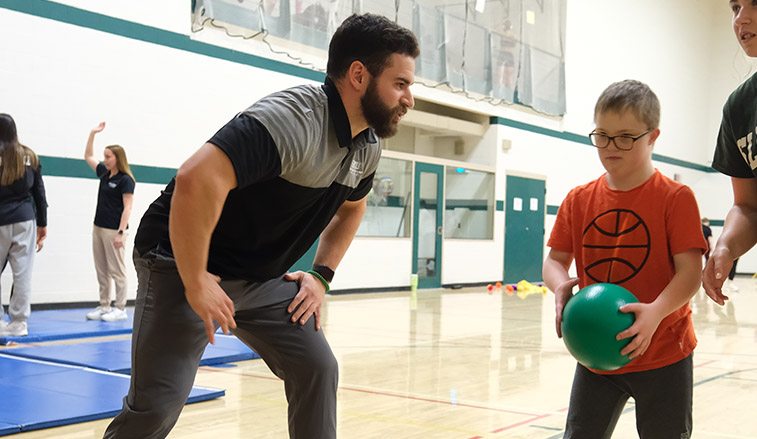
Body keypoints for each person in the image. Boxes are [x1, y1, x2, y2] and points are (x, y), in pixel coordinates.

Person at [102, 13, 419, 439]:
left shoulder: (367, 147)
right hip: (182, 263)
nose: (409, 99)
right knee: (155, 410)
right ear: (359, 75)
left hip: (258, 279)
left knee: (317, 366)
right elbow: (195, 179)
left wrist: (321, 276)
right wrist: (195, 281)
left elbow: (352, 209)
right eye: (400, 84)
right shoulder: (293, 120)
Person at [542, 80, 706, 438]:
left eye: (625, 137)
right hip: (595, 352)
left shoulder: (676, 197)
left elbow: (691, 273)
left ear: (653, 137)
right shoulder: (578, 199)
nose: (610, 147)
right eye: (602, 135)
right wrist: (558, 288)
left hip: (664, 351)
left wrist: (655, 313)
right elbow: (554, 262)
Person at [703, 0, 757, 305]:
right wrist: (725, 246)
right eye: (735, 7)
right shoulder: (739, 107)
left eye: (754, 4)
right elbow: (749, 206)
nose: (742, 18)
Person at [0, 114, 48, 337]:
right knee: (22, 272)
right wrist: (42, 224)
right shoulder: (29, 156)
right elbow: (39, 192)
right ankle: (19, 322)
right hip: (24, 219)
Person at [84, 122, 135, 322]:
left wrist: (121, 232)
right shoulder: (105, 174)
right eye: (104, 156)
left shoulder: (125, 180)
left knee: (117, 270)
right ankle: (104, 305)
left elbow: (128, 207)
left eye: (108, 157)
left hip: (115, 230)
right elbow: (88, 156)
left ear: (117, 159)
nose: (104, 160)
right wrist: (92, 134)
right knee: (102, 269)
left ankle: (120, 307)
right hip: (99, 227)